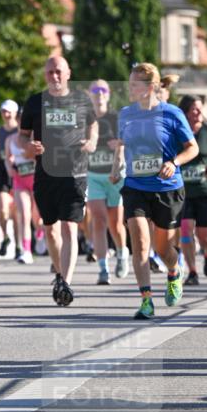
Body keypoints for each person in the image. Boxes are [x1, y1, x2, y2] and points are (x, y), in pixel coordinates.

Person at [110, 63, 198, 320]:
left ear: (149, 88)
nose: (129, 89)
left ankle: (174, 271)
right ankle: (146, 300)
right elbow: (122, 146)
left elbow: (191, 148)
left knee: (163, 250)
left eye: (134, 84)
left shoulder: (172, 114)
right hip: (135, 186)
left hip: (167, 188)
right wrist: (116, 168)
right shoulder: (126, 114)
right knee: (139, 244)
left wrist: (174, 163)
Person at [19, 56, 98, 306]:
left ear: (68, 73)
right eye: (50, 72)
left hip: (74, 173)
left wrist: (92, 141)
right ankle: (59, 272)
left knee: (69, 227)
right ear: (45, 75)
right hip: (45, 174)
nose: (54, 77)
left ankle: (66, 282)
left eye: (59, 72)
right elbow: (22, 138)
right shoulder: (34, 102)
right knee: (50, 230)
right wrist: (28, 147)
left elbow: (94, 126)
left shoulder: (82, 100)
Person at [177, 96, 207, 285]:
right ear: (186, 112)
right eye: (194, 109)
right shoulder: (179, 132)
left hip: (206, 190)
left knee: (204, 234)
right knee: (186, 230)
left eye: (199, 109)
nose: (198, 113)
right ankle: (192, 272)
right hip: (184, 191)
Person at [86, 79, 129, 285]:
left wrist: (119, 147)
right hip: (93, 175)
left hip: (114, 176)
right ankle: (103, 269)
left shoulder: (115, 118)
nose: (99, 93)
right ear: (90, 94)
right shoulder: (85, 118)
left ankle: (122, 253)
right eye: (95, 89)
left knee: (116, 223)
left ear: (108, 94)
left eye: (103, 89)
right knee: (99, 220)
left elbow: (126, 143)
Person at [4, 118, 37, 265]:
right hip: (20, 179)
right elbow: (7, 158)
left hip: (36, 179)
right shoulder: (10, 139)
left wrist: (29, 156)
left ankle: (39, 231)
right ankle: (26, 251)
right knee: (24, 214)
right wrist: (9, 167)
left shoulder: (34, 138)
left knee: (37, 217)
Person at [0, 99, 20, 258]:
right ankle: (5, 237)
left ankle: (18, 246)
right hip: (2, 172)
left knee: (16, 212)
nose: (6, 114)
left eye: (9, 111)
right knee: (3, 209)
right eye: (3, 111)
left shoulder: (21, 131)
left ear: (15, 113)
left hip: (19, 172)